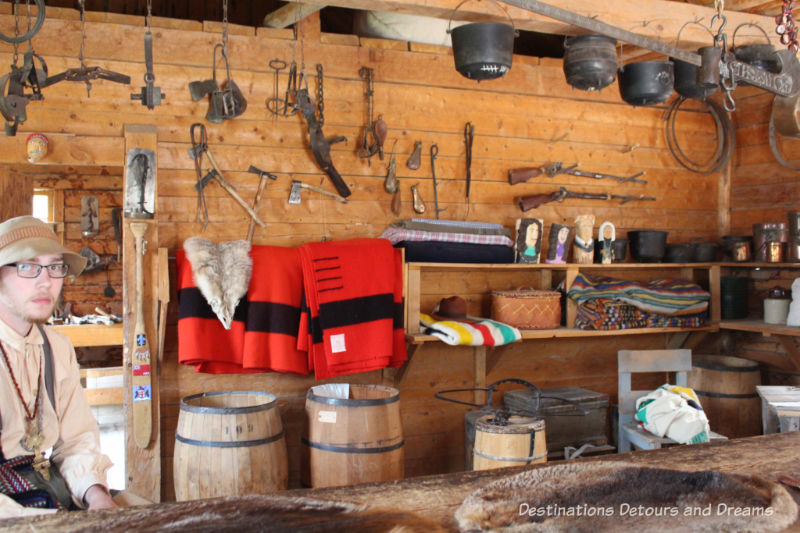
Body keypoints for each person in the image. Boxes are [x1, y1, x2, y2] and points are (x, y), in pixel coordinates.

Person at [0, 215, 115, 517]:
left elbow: (76, 440)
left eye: (54, 266)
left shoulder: (56, 347)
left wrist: (96, 493)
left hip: (43, 486)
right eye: (27, 266)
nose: (46, 281)